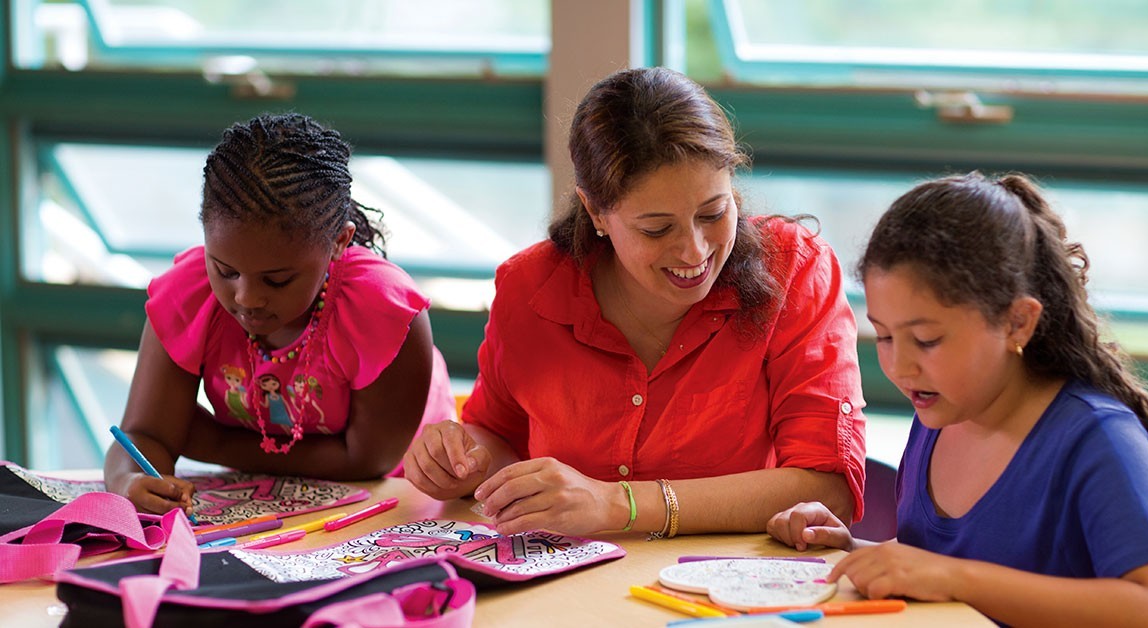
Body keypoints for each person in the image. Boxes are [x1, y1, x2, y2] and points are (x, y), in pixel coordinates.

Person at [404, 67, 867, 537]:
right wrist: (462, 461)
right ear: (595, 212)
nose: (694, 250)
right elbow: (500, 438)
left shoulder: (793, 268)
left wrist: (618, 504)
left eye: (714, 212)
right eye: (656, 228)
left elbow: (827, 490)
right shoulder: (530, 286)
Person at [767, 172, 1148, 626]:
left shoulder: (1098, 440)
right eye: (886, 337)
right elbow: (945, 569)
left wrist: (953, 576)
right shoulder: (941, 411)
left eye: (927, 340)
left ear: (1017, 323)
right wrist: (852, 552)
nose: (901, 367)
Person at [105, 113, 456, 515]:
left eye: (277, 280)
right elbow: (141, 435)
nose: (247, 298)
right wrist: (128, 481)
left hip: (395, 500)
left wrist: (213, 443)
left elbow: (368, 462)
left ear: (339, 241)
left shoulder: (383, 312)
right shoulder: (189, 295)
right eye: (226, 270)